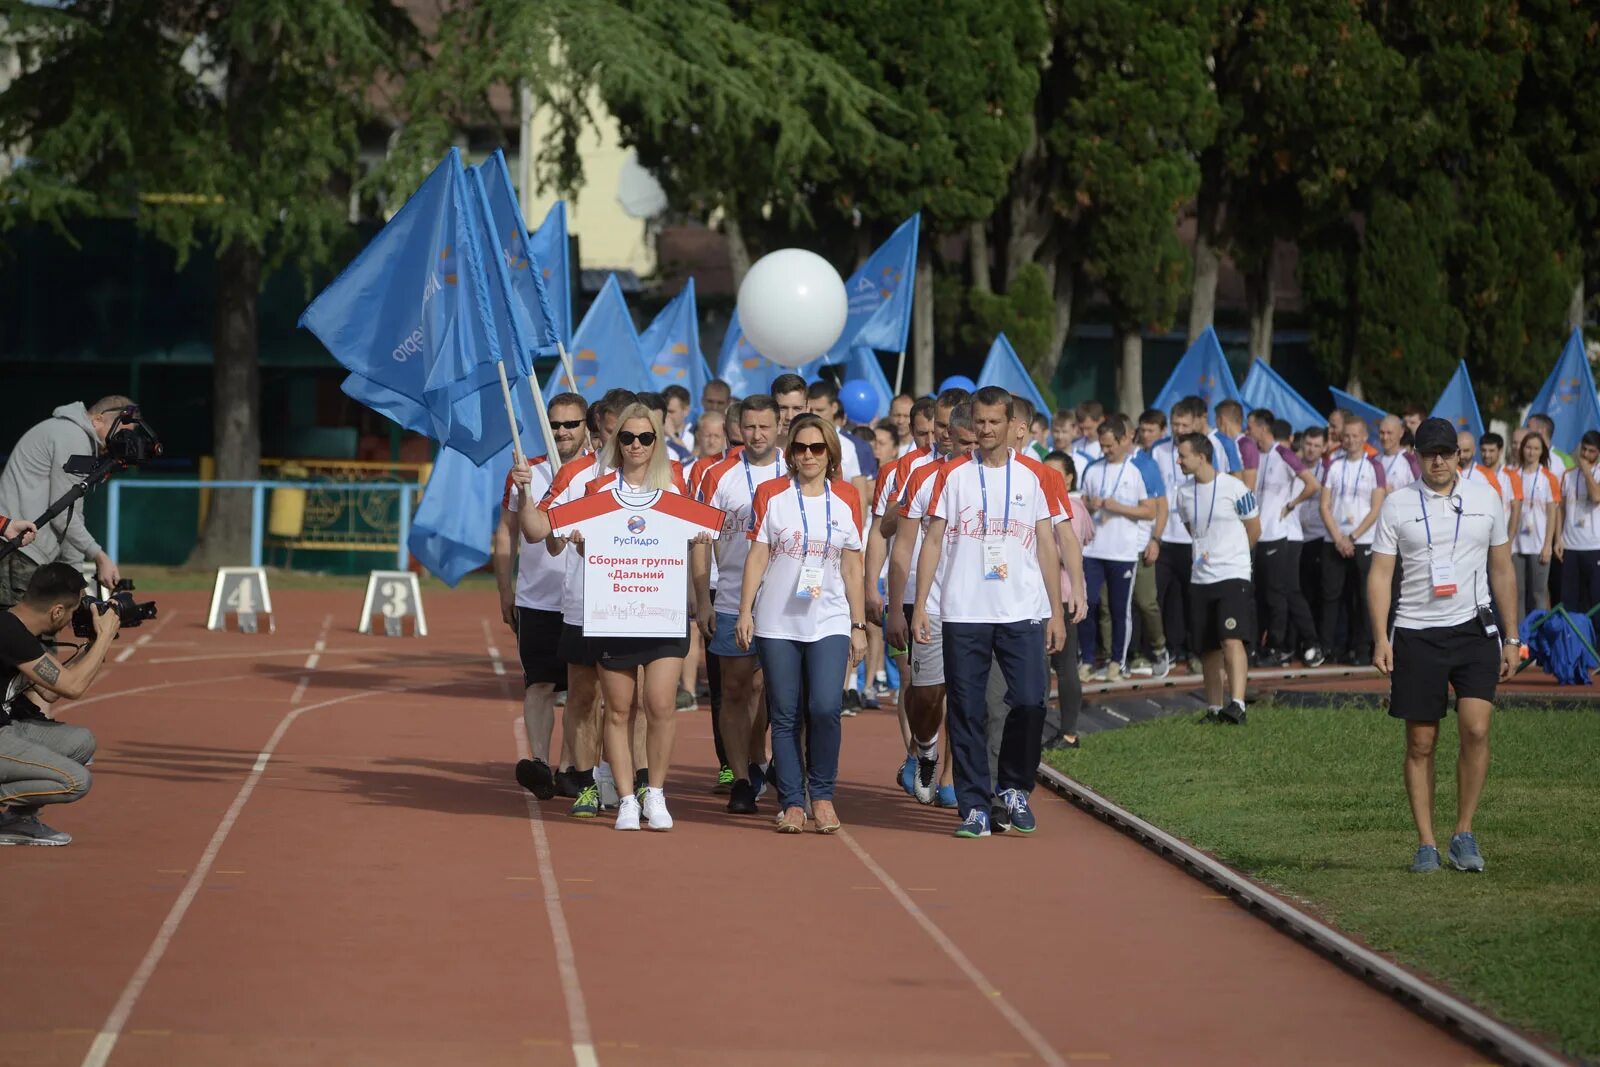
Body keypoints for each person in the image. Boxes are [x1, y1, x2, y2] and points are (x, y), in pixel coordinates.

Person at [549, 404, 718, 832]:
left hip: (662, 614)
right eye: (628, 438)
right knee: (618, 709)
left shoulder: (676, 484)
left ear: (657, 442)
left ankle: (655, 793)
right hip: (614, 615)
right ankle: (625, 798)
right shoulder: (598, 490)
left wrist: (700, 570)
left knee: (660, 704)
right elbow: (558, 536)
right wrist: (579, 542)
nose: (636, 445)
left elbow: (703, 536)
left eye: (645, 438)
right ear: (615, 441)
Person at [912, 387, 1066, 838]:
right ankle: (976, 806)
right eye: (979, 422)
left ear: (1010, 424)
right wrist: (921, 604)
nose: (985, 429)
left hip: (1020, 610)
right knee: (967, 708)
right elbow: (933, 541)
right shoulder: (955, 476)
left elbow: (1045, 543)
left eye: (994, 422)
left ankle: (1015, 786)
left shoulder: (1032, 477)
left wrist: (1055, 611)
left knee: (1030, 700)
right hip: (964, 611)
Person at [1368, 418, 1519, 874]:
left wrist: (1512, 637)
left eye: (1446, 452)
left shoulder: (1485, 498)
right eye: (1429, 453)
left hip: (1475, 628)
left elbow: (1503, 570)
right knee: (1421, 741)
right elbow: (1379, 575)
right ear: (1416, 456)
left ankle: (1464, 833)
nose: (1438, 461)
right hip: (1416, 632)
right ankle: (1427, 843)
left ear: (1459, 455)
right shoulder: (1397, 504)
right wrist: (1380, 636)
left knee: (1476, 728)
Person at [735, 414, 866, 834]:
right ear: (790, 453)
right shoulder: (772, 494)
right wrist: (744, 611)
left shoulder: (846, 497)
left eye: (817, 448)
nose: (808, 456)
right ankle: (792, 801)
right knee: (785, 713)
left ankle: (822, 794)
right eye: (800, 448)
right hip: (777, 620)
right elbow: (757, 556)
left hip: (829, 618)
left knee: (826, 707)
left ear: (830, 453)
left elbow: (852, 565)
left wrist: (860, 624)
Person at [497, 393, 592, 801]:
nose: (563, 432)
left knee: (580, 691)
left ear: (586, 425)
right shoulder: (525, 472)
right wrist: (505, 587)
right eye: (555, 425)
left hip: (586, 602)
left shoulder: (600, 473)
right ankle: (538, 763)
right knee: (539, 684)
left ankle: (569, 767)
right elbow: (507, 530)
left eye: (571, 424)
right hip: (538, 600)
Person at [694, 396, 786, 813]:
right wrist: (703, 599)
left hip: (786, 600)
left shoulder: (797, 467)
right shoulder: (717, 475)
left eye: (765, 426)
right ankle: (743, 779)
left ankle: (769, 761)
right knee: (733, 689)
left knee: (773, 689)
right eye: (750, 427)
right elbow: (700, 541)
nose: (757, 435)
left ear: (779, 426)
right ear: (739, 428)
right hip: (731, 596)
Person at [885, 392, 973, 804]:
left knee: (965, 696)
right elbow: (899, 546)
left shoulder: (996, 476)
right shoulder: (920, 475)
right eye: (939, 427)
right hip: (931, 604)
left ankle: (953, 778)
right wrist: (897, 606)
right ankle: (924, 747)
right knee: (927, 694)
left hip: (976, 607)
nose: (944, 436)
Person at [0, 560, 119, 846]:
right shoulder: (8, 632)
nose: (72, 619)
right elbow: (73, 687)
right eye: (73, 611)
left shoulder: (15, 626)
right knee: (76, 780)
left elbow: (51, 691)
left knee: (80, 742)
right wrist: (104, 637)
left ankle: (16, 820)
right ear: (56, 611)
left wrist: (93, 643)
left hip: (7, 726)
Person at [0, 396, 134, 606]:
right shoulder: (74, 437)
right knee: (26, 634)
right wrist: (100, 557)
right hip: (20, 549)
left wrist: (76, 580)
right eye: (120, 433)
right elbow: (63, 516)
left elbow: (71, 512)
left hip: (24, 549)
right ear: (97, 420)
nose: (121, 442)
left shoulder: (70, 433)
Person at [1174, 434, 1260, 724]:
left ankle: (1237, 704)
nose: (1178, 461)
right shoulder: (1183, 492)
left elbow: (1254, 529)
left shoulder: (1234, 488)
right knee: (1207, 646)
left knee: (1231, 639)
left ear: (1202, 456)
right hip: (1201, 577)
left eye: (1183, 455)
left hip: (1232, 574)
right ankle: (1213, 707)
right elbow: (1192, 529)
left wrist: (1235, 557)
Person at [1079, 414, 1164, 680]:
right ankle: (1088, 659)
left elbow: (1150, 511)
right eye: (1102, 446)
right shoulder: (1092, 468)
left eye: (1110, 446)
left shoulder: (1136, 470)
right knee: (1088, 603)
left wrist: (1118, 508)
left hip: (1122, 551)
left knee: (1119, 608)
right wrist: (1090, 504)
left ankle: (1118, 661)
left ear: (1123, 440)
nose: (1105, 450)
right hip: (1093, 550)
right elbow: (1081, 500)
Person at [1252, 418, 1322, 666]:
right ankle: (1288, 644)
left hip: (1288, 536)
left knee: (1285, 592)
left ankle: (1302, 644)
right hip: (1268, 534)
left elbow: (1312, 485)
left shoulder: (1284, 455)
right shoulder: (1259, 457)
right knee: (1276, 593)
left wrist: (1291, 506)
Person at [1319, 416, 1387, 664]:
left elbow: (1377, 506)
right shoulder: (1334, 465)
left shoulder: (1374, 467)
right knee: (1331, 597)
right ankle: (1329, 648)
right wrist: (1339, 537)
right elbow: (1324, 505)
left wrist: (1352, 536)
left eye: (1355, 435)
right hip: (1334, 540)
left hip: (1363, 540)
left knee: (1362, 597)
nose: (1350, 440)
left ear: (1364, 437)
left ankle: (1362, 649)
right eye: (1346, 435)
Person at [1042, 452, 1091, 748]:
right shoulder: (1052, 505)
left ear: (1070, 478)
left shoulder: (1070, 507)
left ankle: (1069, 731)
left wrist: (1039, 543)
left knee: (1063, 664)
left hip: (1063, 596)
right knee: (1046, 664)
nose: (1048, 479)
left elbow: (1071, 551)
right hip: (1048, 594)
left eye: (1055, 474)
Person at [1510, 431, 1561, 617]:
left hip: (1538, 544)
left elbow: (1552, 512)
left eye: (1536, 448)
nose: (1531, 452)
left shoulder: (1549, 478)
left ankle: (1540, 635)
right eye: (1528, 447)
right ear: (1522, 449)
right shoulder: (1512, 475)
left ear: (1542, 452)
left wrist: (1549, 544)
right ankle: (1521, 638)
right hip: (1516, 545)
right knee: (1518, 593)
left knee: (1538, 593)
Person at [1555, 430, 1600, 616]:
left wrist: (1587, 471)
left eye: (1591, 451)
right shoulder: (1568, 475)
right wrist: (1558, 538)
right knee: (1570, 603)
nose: (1586, 455)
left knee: (1594, 601)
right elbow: (1561, 509)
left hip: (1594, 546)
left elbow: (1596, 496)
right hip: (1571, 546)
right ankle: (1573, 642)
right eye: (1584, 450)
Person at [1458, 430, 1520, 541]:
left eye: (1491, 451)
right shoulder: (1455, 472)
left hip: (1494, 539)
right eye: (1484, 450)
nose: (1487, 455)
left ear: (1500, 451)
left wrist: (1508, 541)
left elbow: (1515, 510)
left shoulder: (1510, 476)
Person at [1214, 400, 1259, 491]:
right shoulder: (1221, 442)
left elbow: (1249, 487)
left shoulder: (1246, 445)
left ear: (1221, 420)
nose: (1216, 425)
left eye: (1216, 419)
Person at [1376, 416, 1419, 493]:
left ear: (1401, 433)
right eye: (1382, 433)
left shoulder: (1411, 462)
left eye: (1389, 433)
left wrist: (1394, 494)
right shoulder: (1375, 459)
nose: (1385, 437)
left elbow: (1417, 494)